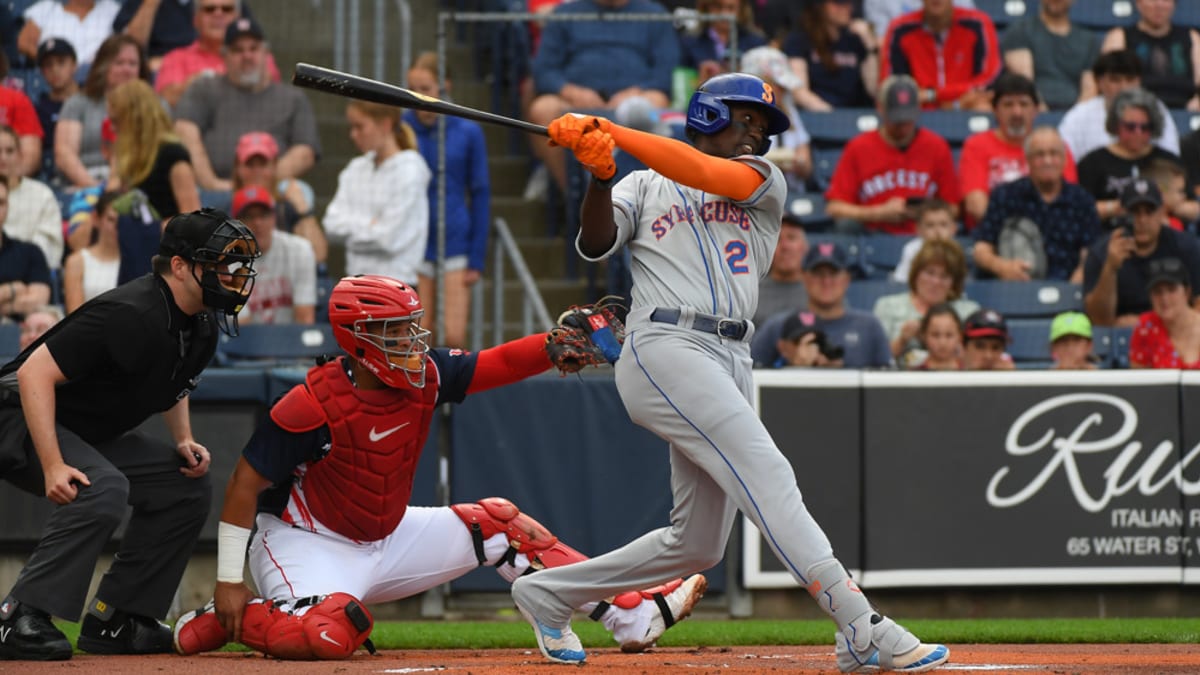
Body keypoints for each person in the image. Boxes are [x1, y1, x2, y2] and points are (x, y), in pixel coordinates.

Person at [510, 72, 947, 669]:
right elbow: (595, 241)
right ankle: (858, 623)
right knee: (767, 472)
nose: (756, 136)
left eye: (762, 128)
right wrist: (600, 173)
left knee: (696, 544)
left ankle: (547, 593)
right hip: (665, 344)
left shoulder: (763, 181)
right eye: (747, 121)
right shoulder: (642, 184)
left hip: (731, 354)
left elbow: (706, 173)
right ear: (709, 114)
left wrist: (611, 129)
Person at [170, 274, 707, 660]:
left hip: (386, 534)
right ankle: (231, 619)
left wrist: (550, 346)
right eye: (394, 332)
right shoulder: (311, 403)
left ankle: (630, 614)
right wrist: (227, 581)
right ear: (358, 343)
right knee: (329, 636)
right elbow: (243, 485)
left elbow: (491, 364)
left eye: (409, 328)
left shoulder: (425, 374)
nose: (410, 341)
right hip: (306, 542)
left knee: (502, 523)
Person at [0, 208, 259, 661]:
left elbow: (172, 381)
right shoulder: (130, 311)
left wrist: (182, 439)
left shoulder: (199, 323)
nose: (230, 275)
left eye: (233, 266)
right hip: (14, 415)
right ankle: (18, 614)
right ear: (179, 266)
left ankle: (119, 619)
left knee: (185, 484)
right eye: (218, 263)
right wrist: (53, 464)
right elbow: (33, 372)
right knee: (101, 487)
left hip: (78, 427)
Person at [526, 0, 680, 195]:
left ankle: (649, 195)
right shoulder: (565, 13)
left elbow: (666, 70)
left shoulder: (654, 13)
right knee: (542, 109)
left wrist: (637, 91)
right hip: (575, 100)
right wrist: (571, 91)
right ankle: (577, 196)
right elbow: (545, 70)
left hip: (634, 100)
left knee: (657, 99)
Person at [174, 17, 320, 194]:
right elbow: (184, 130)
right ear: (224, 55)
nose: (247, 56)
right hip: (215, 190)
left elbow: (305, 151)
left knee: (302, 193)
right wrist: (211, 183)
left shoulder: (292, 98)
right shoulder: (204, 88)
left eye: (254, 48)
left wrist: (258, 184)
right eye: (238, 50)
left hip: (273, 190)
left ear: (266, 53)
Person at [405, 52, 490, 348]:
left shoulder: (468, 130)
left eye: (425, 88)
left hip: (455, 238)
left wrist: (477, 255)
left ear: (445, 86)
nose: (418, 96)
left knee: (453, 335)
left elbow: (480, 193)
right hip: (414, 241)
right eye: (412, 88)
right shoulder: (402, 128)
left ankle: (449, 392)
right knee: (419, 331)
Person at [825, 74, 961, 235]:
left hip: (924, 239)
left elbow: (953, 208)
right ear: (881, 108)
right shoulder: (859, 147)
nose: (903, 127)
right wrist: (878, 213)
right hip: (874, 237)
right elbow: (834, 208)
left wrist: (922, 213)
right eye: (897, 120)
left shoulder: (936, 146)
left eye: (907, 119)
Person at [972, 127, 1100, 282]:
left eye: (1054, 154)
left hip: (1067, 287)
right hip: (1014, 288)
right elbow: (981, 249)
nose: (1047, 161)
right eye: (1039, 155)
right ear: (1027, 160)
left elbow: (1090, 254)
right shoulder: (1005, 195)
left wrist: (1073, 287)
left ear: (1065, 159)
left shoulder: (1082, 200)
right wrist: (1002, 267)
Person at [324, 102, 430, 286]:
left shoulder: (411, 170)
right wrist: (370, 224)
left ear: (386, 124)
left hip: (396, 289)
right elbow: (330, 225)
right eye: (352, 127)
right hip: (355, 287)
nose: (353, 134)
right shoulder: (355, 168)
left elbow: (387, 240)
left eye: (360, 127)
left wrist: (351, 226)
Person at [958, 73, 1078, 227]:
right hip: (994, 234)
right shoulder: (976, 145)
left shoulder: (1053, 146)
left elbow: (1067, 200)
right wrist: (1017, 232)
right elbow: (976, 206)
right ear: (995, 110)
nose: (1017, 112)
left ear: (1036, 109)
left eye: (1023, 104)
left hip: (1049, 234)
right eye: (1008, 105)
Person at [754, 242, 893, 369]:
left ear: (847, 279)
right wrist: (792, 366)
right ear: (804, 277)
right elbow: (752, 374)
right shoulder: (779, 326)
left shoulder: (869, 327)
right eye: (818, 274)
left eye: (833, 273)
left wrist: (840, 371)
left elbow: (886, 382)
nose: (826, 281)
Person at [1083, 178, 1200, 327]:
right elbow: (1099, 321)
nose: (1142, 220)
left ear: (1162, 212)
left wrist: (1149, 323)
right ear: (1121, 213)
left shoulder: (1186, 247)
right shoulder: (1101, 252)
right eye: (1135, 212)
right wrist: (1110, 268)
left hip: (1176, 333)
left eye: (1149, 211)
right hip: (1121, 342)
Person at [54, 33, 148, 193]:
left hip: (139, 184)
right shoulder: (78, 103)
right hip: (85, 184)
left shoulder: (153, 106)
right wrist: (96, 188)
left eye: (133, 64)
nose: (127, 69)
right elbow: (64, 154)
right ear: (103, 67)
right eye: (119, 63)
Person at [1076, 87, 1180, 230]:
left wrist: (1166, 204)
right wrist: (1122, 205)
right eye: (1130, 127)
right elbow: (1080, 210)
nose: (1138, 132)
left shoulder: (1167, 160)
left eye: (1145, 127)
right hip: (1109, 235)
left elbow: (1194, 207)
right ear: (1116, 125)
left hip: (1163, 236)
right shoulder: (1093, 162)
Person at [153, 0, 281, 108]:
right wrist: (192, 85)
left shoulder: (256, 54)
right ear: (196, 19)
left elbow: (272, 93)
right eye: (209, 9)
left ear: (238, 17)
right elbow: (165, 102)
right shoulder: (176, 58)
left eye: (226, 9)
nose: (218, 14)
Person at [1057, 50, 1180, 162]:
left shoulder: (1157, 109)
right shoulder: (1078, 117)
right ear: (1099, 82)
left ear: (1140, 81)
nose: (1123, 87)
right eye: (1115, 80)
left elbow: (1171, 157)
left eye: (1130, 79)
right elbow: (1064, 161)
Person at [879, 0, 1001, 112]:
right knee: (894, 107)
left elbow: (988, 79)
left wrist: (932, 95)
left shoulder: (977, 23)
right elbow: (891, 84)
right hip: (916, 108)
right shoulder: (900, 28)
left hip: (966, 103)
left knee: (982, 108)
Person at [873, 238, 977, 367]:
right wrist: (902, 341)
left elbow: (979, 361)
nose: (935, 282)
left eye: (944, 276)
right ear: (916, 273)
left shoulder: (968, 311)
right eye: (929, 273)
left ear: (954, 282)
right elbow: (874, 362)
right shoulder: (888, 306)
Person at [106, 79, 199, 220]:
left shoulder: (173, 155)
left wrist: (152, 230)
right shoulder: (126, 155)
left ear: (135, 119)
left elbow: (192, 217)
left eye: (116, 121)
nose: (112, 128)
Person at [230, 131, 326, 266]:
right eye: (250, 165)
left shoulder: (286, 207)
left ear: (275, 166)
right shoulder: (223, 207)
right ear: (238, 168)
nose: (257, 171)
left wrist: (302, 207)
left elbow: (318, 255)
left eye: (263, 165)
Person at [231, 185, 316, 325]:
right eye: (248, 217)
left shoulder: (300, 250)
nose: (257, 223)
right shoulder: (227, 262)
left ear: (273, 218)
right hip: (246, 344)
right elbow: (241, 327)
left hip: (291, 340)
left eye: (263, 215)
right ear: (235, 224)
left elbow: (305, 319)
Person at [738, 46, 812, 194]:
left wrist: (800, 163)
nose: (783, 90)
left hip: (790, 193)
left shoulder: (788, 109)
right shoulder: (738, 114)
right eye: (777, 84)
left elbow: (807, 167)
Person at [1100, 0, 1200, 111]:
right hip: (1134, 111)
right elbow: (1109, 84)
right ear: (1138, 3)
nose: (1159, 5)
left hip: (1185, 108)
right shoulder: (1119, 37)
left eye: (1166, 0)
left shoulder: (1192, 37)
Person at [999, 0, 1098, 111]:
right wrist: (1044, 116)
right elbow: (1025, 84)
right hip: (1034, 112)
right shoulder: (1020, 30)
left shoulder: (1088, 40)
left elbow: (1089, 89)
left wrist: (1074, 118)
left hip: (1075, 113)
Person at [781, 0, 878, 111]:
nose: (848, 8)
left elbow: (873, 89)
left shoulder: (855, 39)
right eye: (840, 3)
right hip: (817, 116)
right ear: (820, 6)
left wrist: (870, 44)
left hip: (856, 114)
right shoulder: (800, 39)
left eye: (849, 3)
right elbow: (799, 92)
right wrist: (832, 116)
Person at [0, 125, 65, 270]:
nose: (3, 158)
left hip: (31, 275)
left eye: (9, 151)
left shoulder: (42, 195)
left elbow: (49, 247)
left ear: (20, 155)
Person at [1130, 257, 1200, 368]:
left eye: (1171, 290)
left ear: (1187, 292)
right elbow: (1139, 380)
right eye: (1157, 292)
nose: (1164, 298)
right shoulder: (1146, 327)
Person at [18, 0, 121, 73]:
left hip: (99, 76)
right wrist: (54, 62)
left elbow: (127, 44)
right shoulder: (47, 7)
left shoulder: (112, 9)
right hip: (54, 78)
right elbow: (24, 43)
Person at [0, 181, 53, 322]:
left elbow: (39, 301)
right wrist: (12, 289)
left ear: (7, 207)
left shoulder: (30, 252)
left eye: (1, 203)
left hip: (24, 335)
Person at [678, 0, 767, 83]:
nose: (724, 13)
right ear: (707, 7)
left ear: (741, 10)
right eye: (718, 7)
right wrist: (700, 80)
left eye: (731, 8)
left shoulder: (756, 42)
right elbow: (681, 82)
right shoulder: (690, 41)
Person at [61, 190, 120, 313]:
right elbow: (74, 316)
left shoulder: (139, 260)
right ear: (96, 218)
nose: (117, 227)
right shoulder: (77, 261)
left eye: (122, 221)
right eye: (111, 219)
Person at [33, 38, 78, 187]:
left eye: (61, 62)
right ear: (41, 72)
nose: (55, 70)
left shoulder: (89, 100)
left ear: (74, 65)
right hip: (51, 175)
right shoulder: (38, 109)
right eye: (48, 65)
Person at [753, 211, 808, 326]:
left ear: (805, 247)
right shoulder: (751, 292)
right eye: (777, 240)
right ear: (766, 250)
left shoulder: (821, 289)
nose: (785, 246)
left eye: (791, 238)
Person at [891, 197, 956, 283]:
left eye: (943, 225)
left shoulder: (956, 251)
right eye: (930, 225)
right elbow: (901, 281)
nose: (937, 231)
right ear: (918, 229)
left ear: (953, 228)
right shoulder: (911, 249)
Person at [911, 302, 963, 370]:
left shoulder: (970, 372)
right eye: (935, 335)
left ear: (960, 336)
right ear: (924, 336)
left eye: (949, 335)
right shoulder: (913, 375)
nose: (942, 343)